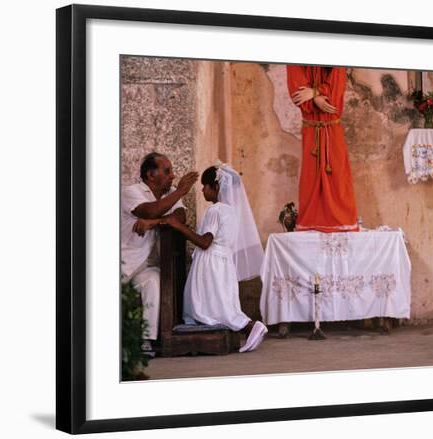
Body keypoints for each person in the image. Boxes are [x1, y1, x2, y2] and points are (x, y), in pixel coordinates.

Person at [161, 164, 267, 353]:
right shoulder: (232, 211)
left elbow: (204, 242)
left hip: (210, 263)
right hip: (224, 262)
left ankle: (251, 325)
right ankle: (247, 326)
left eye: (205, 186)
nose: (202, 190)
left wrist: (178, 226)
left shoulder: (215, 210)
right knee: (221, 302)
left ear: (216, 187)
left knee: (215, 305)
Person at [121, 152, 198, 357]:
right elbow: (149, 211)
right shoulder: (131, 192)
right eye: (167, 171)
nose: (172, 176)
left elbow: (180, 216)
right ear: (150, 174)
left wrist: (153, 223)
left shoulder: (170, 193)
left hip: (148, 263)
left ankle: (147, 340)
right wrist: (181, 191)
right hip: (125, 262)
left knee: (154, 283)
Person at [286, 65, 358, 232]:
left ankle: (341, 222)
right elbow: (298, 96)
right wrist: (319, 96)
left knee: (338, 178)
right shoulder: (294, 58)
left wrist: (314, 92)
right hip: (311, 131)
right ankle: (311, 223)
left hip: (332, 130)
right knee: (310, 178)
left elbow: (334, 93)